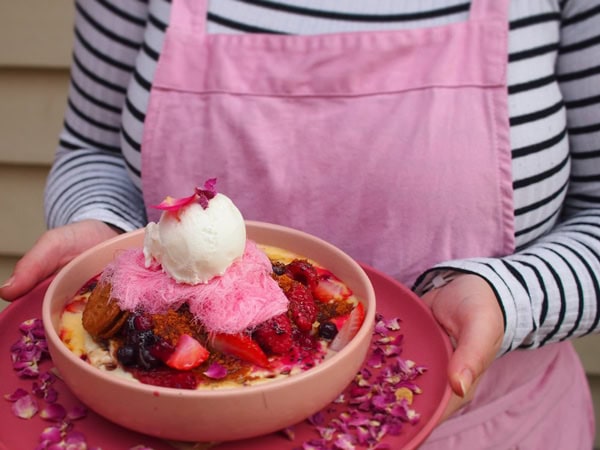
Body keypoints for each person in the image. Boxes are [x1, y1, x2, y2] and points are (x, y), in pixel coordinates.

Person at [1, 0, 598, 448]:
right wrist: (104, 232)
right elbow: (93, 147)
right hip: (160, 429)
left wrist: (509, 297)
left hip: (483, 427)